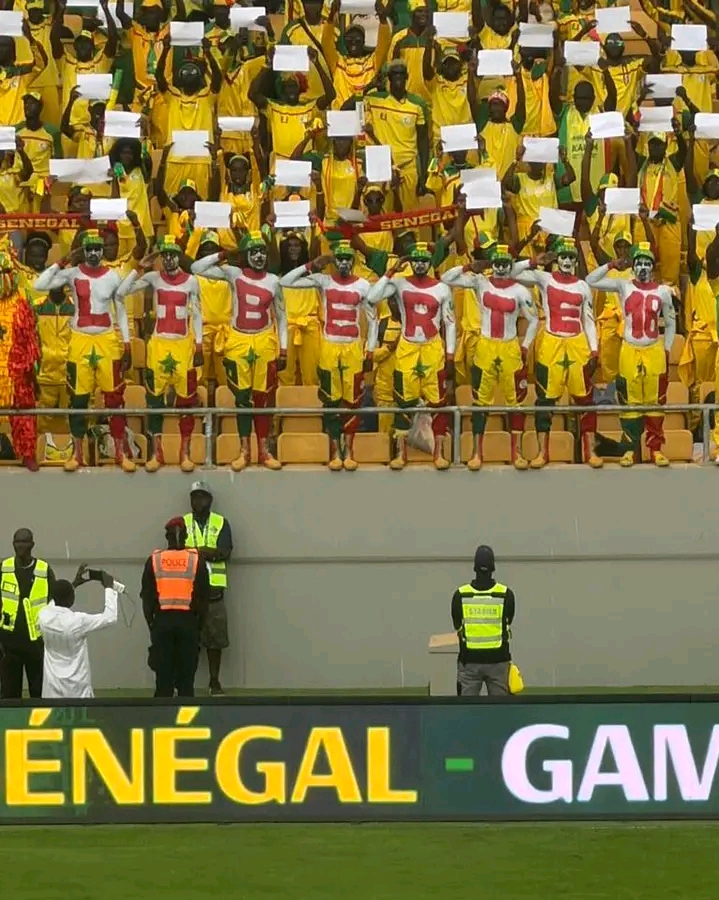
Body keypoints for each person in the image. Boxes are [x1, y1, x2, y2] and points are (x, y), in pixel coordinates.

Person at [34, 229, 135, 473]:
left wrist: (128, 342)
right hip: (79, 340)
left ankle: (120, 452)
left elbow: (120, 309)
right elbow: (40, 284)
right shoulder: (71, 274)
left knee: (114, 399)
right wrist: (64, 259)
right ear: (83, 251)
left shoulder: (113, 275)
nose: (93, 253)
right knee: (78, 399)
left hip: (107, 339)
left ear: (102, 251)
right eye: (88, 249)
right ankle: (77, 454)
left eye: (97, 249)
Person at [191, 232, 287, 471]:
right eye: (253, 252)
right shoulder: (233, 274)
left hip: (264, 341)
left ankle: (264, 451)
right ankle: (244, 451)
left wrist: (283, 349)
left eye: (262, 252)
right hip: (238, 341)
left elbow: (283, 317)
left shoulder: (274, 281)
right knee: (242, 400)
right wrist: (224, 254)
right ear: (244, 255)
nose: (258, 256)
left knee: (262, 399)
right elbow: (197, 266)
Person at [279, 241, 374, 470]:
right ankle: (334, 451)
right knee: (331, 401)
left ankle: (349, 451)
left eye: (347, 259)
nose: (343, 263)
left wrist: (369, 350)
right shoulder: (323, 281)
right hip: (329, 346)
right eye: (338, 259)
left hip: (352, 347)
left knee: (352, 401)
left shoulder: (363, 285)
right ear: (334, 262)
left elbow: (373, 320)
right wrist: (313, 264)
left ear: (353, 261)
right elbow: (285, 281)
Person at [442, 244, 538, 471]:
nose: (502, 268)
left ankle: (517, 453)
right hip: (485, 347)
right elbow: (447, 278)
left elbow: (533, 320)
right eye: (497, 263)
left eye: (506, 264)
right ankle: (477, 453)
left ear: (511, 266)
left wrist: (524, 347)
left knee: (515, 403)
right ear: (491, 264)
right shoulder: (480, 283)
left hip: (510, 347)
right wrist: (469, 266)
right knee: (479, 403)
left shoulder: (521, 291)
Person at [513, 239, 602, 469]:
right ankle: (543, 452)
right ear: (556, 259)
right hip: (551, 341)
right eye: (562, 257)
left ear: (574, 260)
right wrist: (534, 261)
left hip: (578, 342)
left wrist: (594, 350)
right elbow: (512, 273)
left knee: (585, 399)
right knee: (545, 400)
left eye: (571, 257)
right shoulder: (544, 279)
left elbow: (589, 320)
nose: (566, 261)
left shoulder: (583, 286)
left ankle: (589, 451)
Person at [367, 241, 456, 470]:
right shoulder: (399, 283)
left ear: (430, 262)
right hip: (407, 348)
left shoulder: (442, 288)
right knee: (404, 402)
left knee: (437, 403)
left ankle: (439, 453)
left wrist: (450, 356)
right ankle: (401, 453)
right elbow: (373, 297)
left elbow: (450, 323)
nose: (419, 265)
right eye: (415, 260)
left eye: (424, 261)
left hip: (432, 348)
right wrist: (392, 270)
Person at [587, 243, 677, 467]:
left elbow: (672, 322)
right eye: (639, 263)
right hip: (629, 349)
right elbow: (591, 280)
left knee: (655, 403)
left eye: (647, 263)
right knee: (629, 402)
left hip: (654, 349)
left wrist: (666, 348)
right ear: (633, 266)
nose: (643, 267)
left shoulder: (663, 292)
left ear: (653, 267)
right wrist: (611, 264)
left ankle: (655, 449)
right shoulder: (623, 286)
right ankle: (629, 450)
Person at [118, 238, 203, 473]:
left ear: (179, 256)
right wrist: (141, 267)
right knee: (154, 400)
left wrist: (199, 344)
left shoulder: (192, 282)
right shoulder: (152, 279)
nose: (168, 259)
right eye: (164, 255)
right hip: (158, 345)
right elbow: (122, 292)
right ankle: (157, 453)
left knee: (186, 401)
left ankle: (184, 453)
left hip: (183, 344)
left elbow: (197, 313)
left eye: (172, 254)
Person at [141, 517, 209, 698]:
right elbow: (203, 599)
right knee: (186, 681)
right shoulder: (196, 560)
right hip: (188, 623)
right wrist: (198, 627)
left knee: (163, 680)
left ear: (167, 537)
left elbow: (147, 599)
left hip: (162, 623)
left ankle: (162, 720)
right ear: (186, 535)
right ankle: (185, 721)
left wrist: (152, 626)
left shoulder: (155, 560)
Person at [37, 566, 118, 699]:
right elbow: (110, 618)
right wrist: (109, 588)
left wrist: (74, 584)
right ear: (72, 599)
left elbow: (56, 598)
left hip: (52, 689)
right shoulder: (78, 621)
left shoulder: (43, 616)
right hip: (77, 689)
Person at [183, 481, 233, 696]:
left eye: (202, 497)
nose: (198, 501)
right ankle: (187, 683)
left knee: (215, 641)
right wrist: (206, 551)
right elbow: (177, 552)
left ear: (210, 500)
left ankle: (214, 682)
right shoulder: (182, 523)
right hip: (188, 593)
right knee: (188, 641)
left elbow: (224, 553)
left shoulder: (221, 523)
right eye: (194, 497)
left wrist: (195, 551)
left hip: (214, 593)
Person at [451, 544, 516, 697]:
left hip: (469, 662)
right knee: (500, 711)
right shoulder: (505, 594)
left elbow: (457, 624)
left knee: (467, 712)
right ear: (493, 568)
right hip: (499, 661)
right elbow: (509, 620)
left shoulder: (460, 595)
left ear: (474, 568)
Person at [0, 528, 56, 699]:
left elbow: (55, 602)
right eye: (17, 542)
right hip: (9, 644)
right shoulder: (4, 568)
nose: (20, 545)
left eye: (24, 542)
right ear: (13, 544)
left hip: (36, 644)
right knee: (9, 694)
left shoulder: (44, 570)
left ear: (32, 544)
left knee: (38, 693)